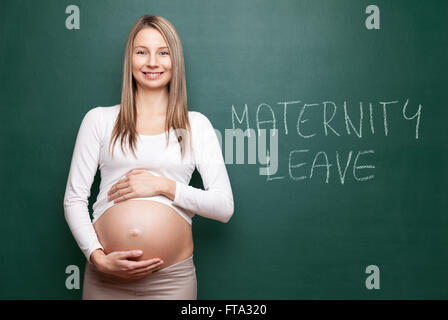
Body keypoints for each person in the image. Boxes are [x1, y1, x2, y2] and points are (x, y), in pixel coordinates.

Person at [63, 15, 234, 300]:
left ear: (174, 61)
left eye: (163, 52)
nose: (152, 62)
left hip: (172, 283)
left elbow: (223, 206)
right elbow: (74, 199)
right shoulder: (99, 120)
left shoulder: (196, 125)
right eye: (142, 52)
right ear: (129, 60)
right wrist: (96, 257)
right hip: (106, 281)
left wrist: (161, 186)